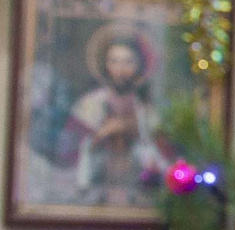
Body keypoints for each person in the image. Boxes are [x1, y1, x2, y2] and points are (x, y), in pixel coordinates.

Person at [52, 22, 167, 203]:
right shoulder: (88, 105)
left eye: (128, 62)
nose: (120, 70)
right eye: (114, 61)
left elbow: (163, 158)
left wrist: (134, 131)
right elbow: (66, 153)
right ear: (105, 65)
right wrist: (99, 136)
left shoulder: (147, 112)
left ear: (139, 66)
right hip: (94, 195)